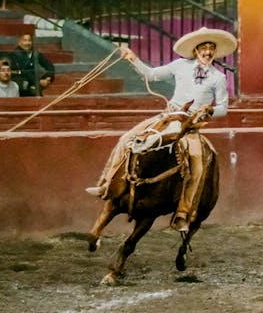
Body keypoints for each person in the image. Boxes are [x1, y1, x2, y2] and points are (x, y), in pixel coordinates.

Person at [85, 27, 237, 233]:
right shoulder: (180, 66)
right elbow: (152, 74)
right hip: (168, 116)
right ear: (196, 50)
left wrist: (208, 111)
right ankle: (107, 185)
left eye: (211, 48)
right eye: (204, 47)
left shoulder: (218, 77)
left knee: (198, 165)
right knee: (128, 138)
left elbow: (223, 108)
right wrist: (133, 59)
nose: (208, 52)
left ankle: (182, 213)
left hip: (190, 125)